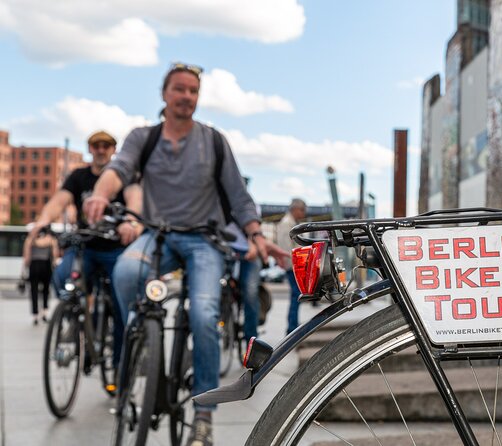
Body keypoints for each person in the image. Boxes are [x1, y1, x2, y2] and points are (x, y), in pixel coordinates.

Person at [84, 62, 287, 446]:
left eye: (193, 91)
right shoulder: (144, 137)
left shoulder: (213, 140)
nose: (186, 97)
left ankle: (205, 414)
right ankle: (141, 345)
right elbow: (119, 169)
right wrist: (99, 193)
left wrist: (257, 236)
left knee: (205, 314)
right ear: (164, 94)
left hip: (204, 240)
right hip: (157, 235)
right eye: (179, 89)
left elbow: (238, 197)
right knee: (126, 274)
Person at [31, 130, 143, 365]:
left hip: (115, 248)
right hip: (85, 246)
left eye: (106, 146)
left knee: (122, 300)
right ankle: (78, 319)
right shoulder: (79, 176)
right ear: (90, 149)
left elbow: (135, 199)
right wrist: (43, 219)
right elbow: (59, 200)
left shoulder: (124, 176)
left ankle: (121, 363)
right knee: (62, 276)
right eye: (96, 146)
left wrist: (131, 222)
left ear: (113, 150)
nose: (101, 150)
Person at [276, 198, 307, 334]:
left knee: (296, 296)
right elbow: (286, 247)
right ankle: (292, 328)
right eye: (302, 210)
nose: (303, 213)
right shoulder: (287, 223)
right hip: (293, 266)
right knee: (296, 296)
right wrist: (294, 266)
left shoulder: (290, 222)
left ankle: (292, 326)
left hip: (293, 265)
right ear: (295, 209)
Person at [22, 226, 58, 325]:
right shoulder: (51, 240)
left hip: (34, 266)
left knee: (34, 291)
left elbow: (26, 257)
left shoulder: (30, 240)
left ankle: (35, 315)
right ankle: (44, 313)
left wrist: (23, 271)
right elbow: (55, 255)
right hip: (46, 266)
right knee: (46, 291)